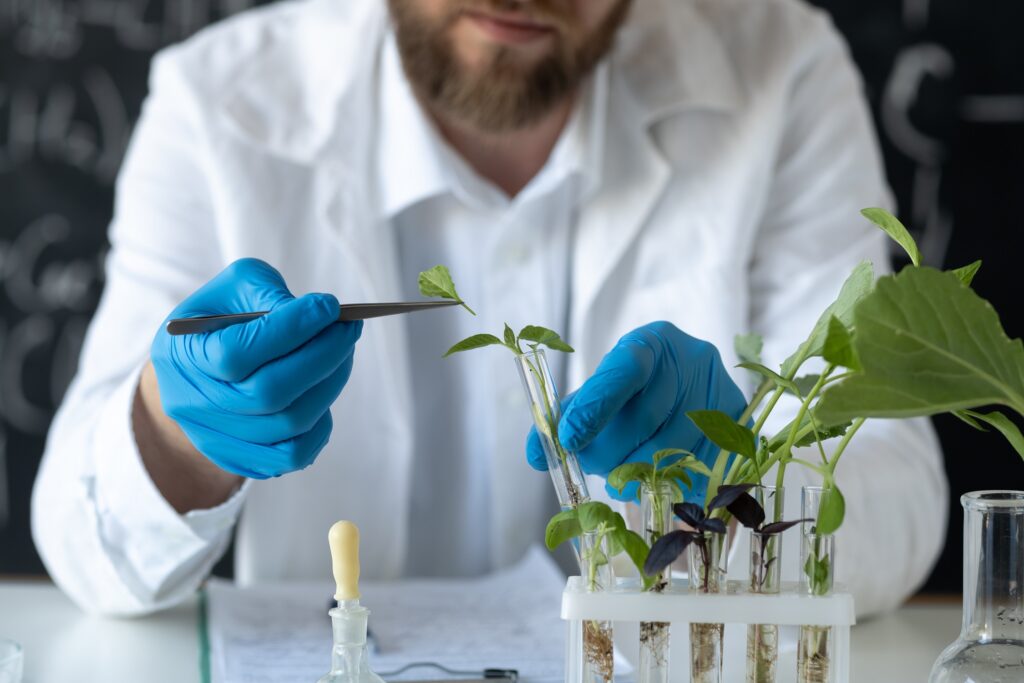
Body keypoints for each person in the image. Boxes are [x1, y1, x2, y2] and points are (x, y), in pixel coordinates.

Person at [32, 0, 947, 618]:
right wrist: (173, 431)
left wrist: (744, 476)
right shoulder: (217, 99)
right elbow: (83, 544)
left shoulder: (780, 69)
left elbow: (899, 497)